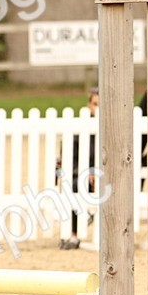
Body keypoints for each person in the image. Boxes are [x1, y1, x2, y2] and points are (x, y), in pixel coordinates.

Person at [58, 88, 98, 250]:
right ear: (89, 106)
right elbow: (68, 159)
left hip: (106, 178)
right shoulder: (76, 130)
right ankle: (74, 234)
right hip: (82, 177)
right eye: (95, 104)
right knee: (74, 186)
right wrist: (86, 173)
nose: (98, 108)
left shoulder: (113, 130)